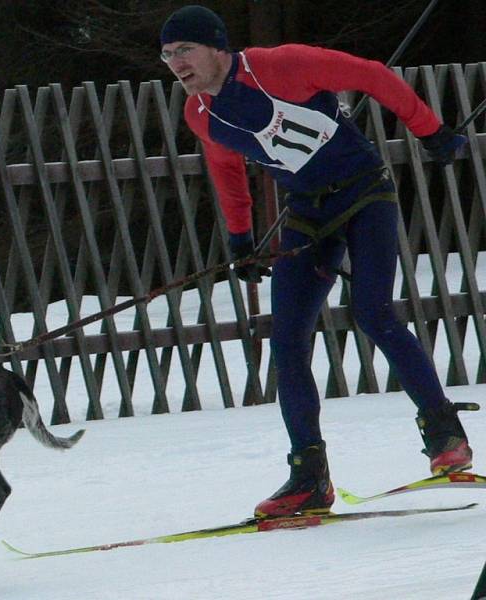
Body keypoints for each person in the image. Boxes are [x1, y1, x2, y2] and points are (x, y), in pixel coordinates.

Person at [160, 5, 476, 518]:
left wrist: (430, 130)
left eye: (184, 51)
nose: (176, 63)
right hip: (307, 215)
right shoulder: (201, 114)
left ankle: (444, 433)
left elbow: (371, 76)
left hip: (363, 193)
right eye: (168, 55)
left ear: (217, 47)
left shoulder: (280, 65)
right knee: (286, 339)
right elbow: (227, 172)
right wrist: (240, 239)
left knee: (372, 312)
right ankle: (309, 476)